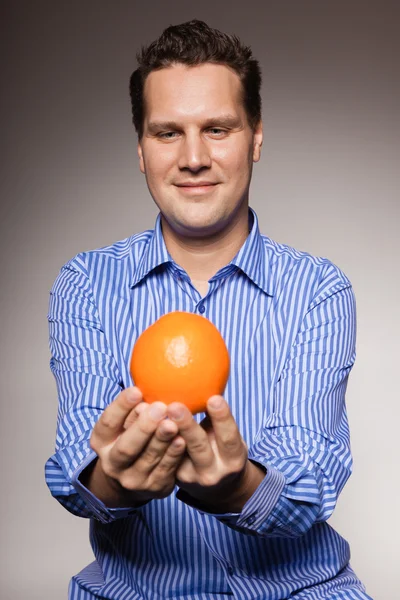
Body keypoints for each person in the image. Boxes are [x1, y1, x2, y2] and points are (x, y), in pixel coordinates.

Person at [45, 19, 372, 600]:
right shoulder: (86, 284)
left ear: (257, 138)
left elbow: (312, 477)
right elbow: (76, 465)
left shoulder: (319, 289)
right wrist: (114, 482)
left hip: (298, 590)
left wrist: (239, 487)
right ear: (141, 151)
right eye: (167, 133)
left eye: (217, 129)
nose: (193, 157)